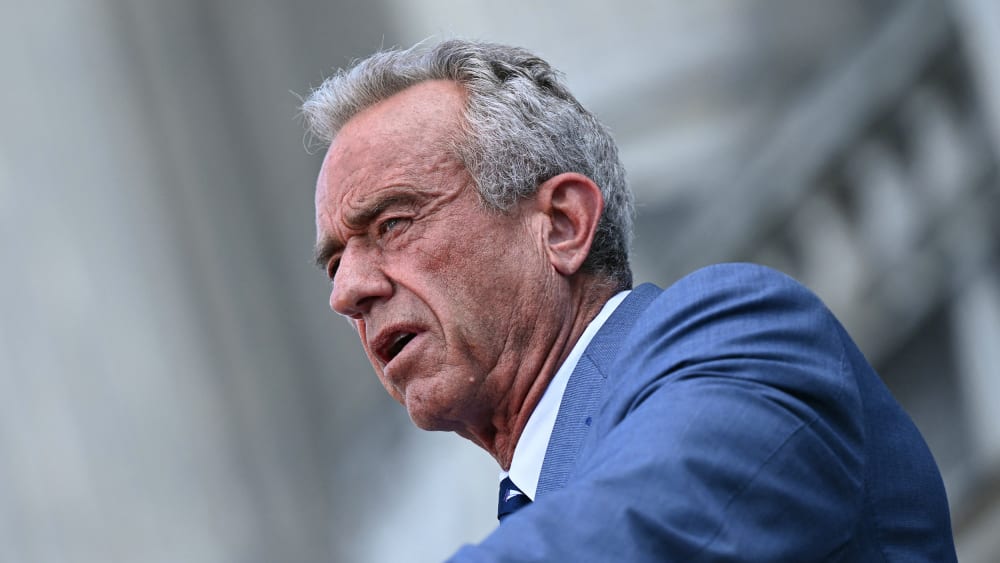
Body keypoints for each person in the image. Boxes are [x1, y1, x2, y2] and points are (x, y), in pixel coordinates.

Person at [302, 39, 957, 561]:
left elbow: (640, 530)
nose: (346, 292)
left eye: (392, 224)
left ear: (560, 225)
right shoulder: (534, 504)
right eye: (336, 260)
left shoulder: (746, 338)